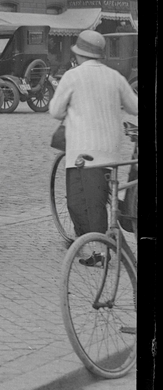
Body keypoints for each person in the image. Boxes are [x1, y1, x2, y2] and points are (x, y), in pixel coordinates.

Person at [48, 30, 138, 265]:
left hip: (83, 153)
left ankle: (99, 251)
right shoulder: (115, 76)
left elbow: (55, 111)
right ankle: (101, 247)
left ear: (78, 54)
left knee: (80, 204)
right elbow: (135, 106)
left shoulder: (72, 76)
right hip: (111, 152)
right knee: (97, 199)